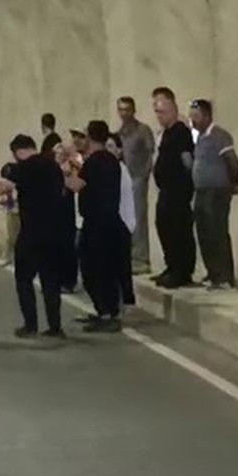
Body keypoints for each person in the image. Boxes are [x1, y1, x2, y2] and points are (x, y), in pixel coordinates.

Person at [0, 134, 65, 338]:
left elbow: (0, 188)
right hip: (54, 230)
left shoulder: (22, 168)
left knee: (24, 278)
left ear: (18, 152)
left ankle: (30, 325)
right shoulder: (53, 166)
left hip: (31, 231)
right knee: (50, 281)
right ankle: (55, 326)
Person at [67, 121, 126, 333]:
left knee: (92, 269)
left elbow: (76, 185)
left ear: (90, 138)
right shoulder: (111, 160)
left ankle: (106, 313)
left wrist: (65, 170)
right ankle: (108, 311)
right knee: (107, 268)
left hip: (96, 223)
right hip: (111, 220)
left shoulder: (94, 162)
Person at [189, 99, 238, 290]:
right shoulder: (201, 138)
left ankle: (225, 276)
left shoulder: (220, 136)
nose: (193, 121)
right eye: (191, 117)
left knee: (217, 231)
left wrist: (233, 182)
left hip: (216, 192)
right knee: (204, 233)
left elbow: (232, 161)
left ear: (207, 116)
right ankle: (213, 273)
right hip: (201, 191)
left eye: (196, 116)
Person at [152, 87, 196, 289]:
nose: (159, 116)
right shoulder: (167, 133)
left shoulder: (180, 131)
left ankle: (181, 271)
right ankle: (171, 266)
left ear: (172, 107)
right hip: (166, 190)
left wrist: (187, 182)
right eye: (156, 112)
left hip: (177, 191)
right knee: (164, 226)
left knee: (178, 229)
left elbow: (187, 160)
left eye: (161, 111)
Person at [116, 96, 155, 274]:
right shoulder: (119, 133)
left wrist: (144, 175)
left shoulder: (142, 130)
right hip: (124, 180)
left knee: (139, 218)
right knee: (126, 218)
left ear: (133, 110)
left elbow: (150, 153)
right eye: (121, 110)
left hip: (138, 179)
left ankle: (141, 259)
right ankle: (129, 256)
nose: (124, 113)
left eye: (127, 109)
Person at [107, 134, 136, 307]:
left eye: (111, 147)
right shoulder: (110, 169)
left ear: (119, 150)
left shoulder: (120, 170)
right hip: (115, 223)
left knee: (122, 268)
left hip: (123, 223)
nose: (108, 150)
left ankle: (126, 302)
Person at [53, 141, 80, 294]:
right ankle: (57, 280)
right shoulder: (53, 169)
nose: (59, 156)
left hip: (68, 214)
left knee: (68, 248)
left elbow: (74, 186)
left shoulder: (71, 168)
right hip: (56, 214)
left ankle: (69, 281)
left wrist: (67, 173)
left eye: (61, 153)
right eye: (57, 154)